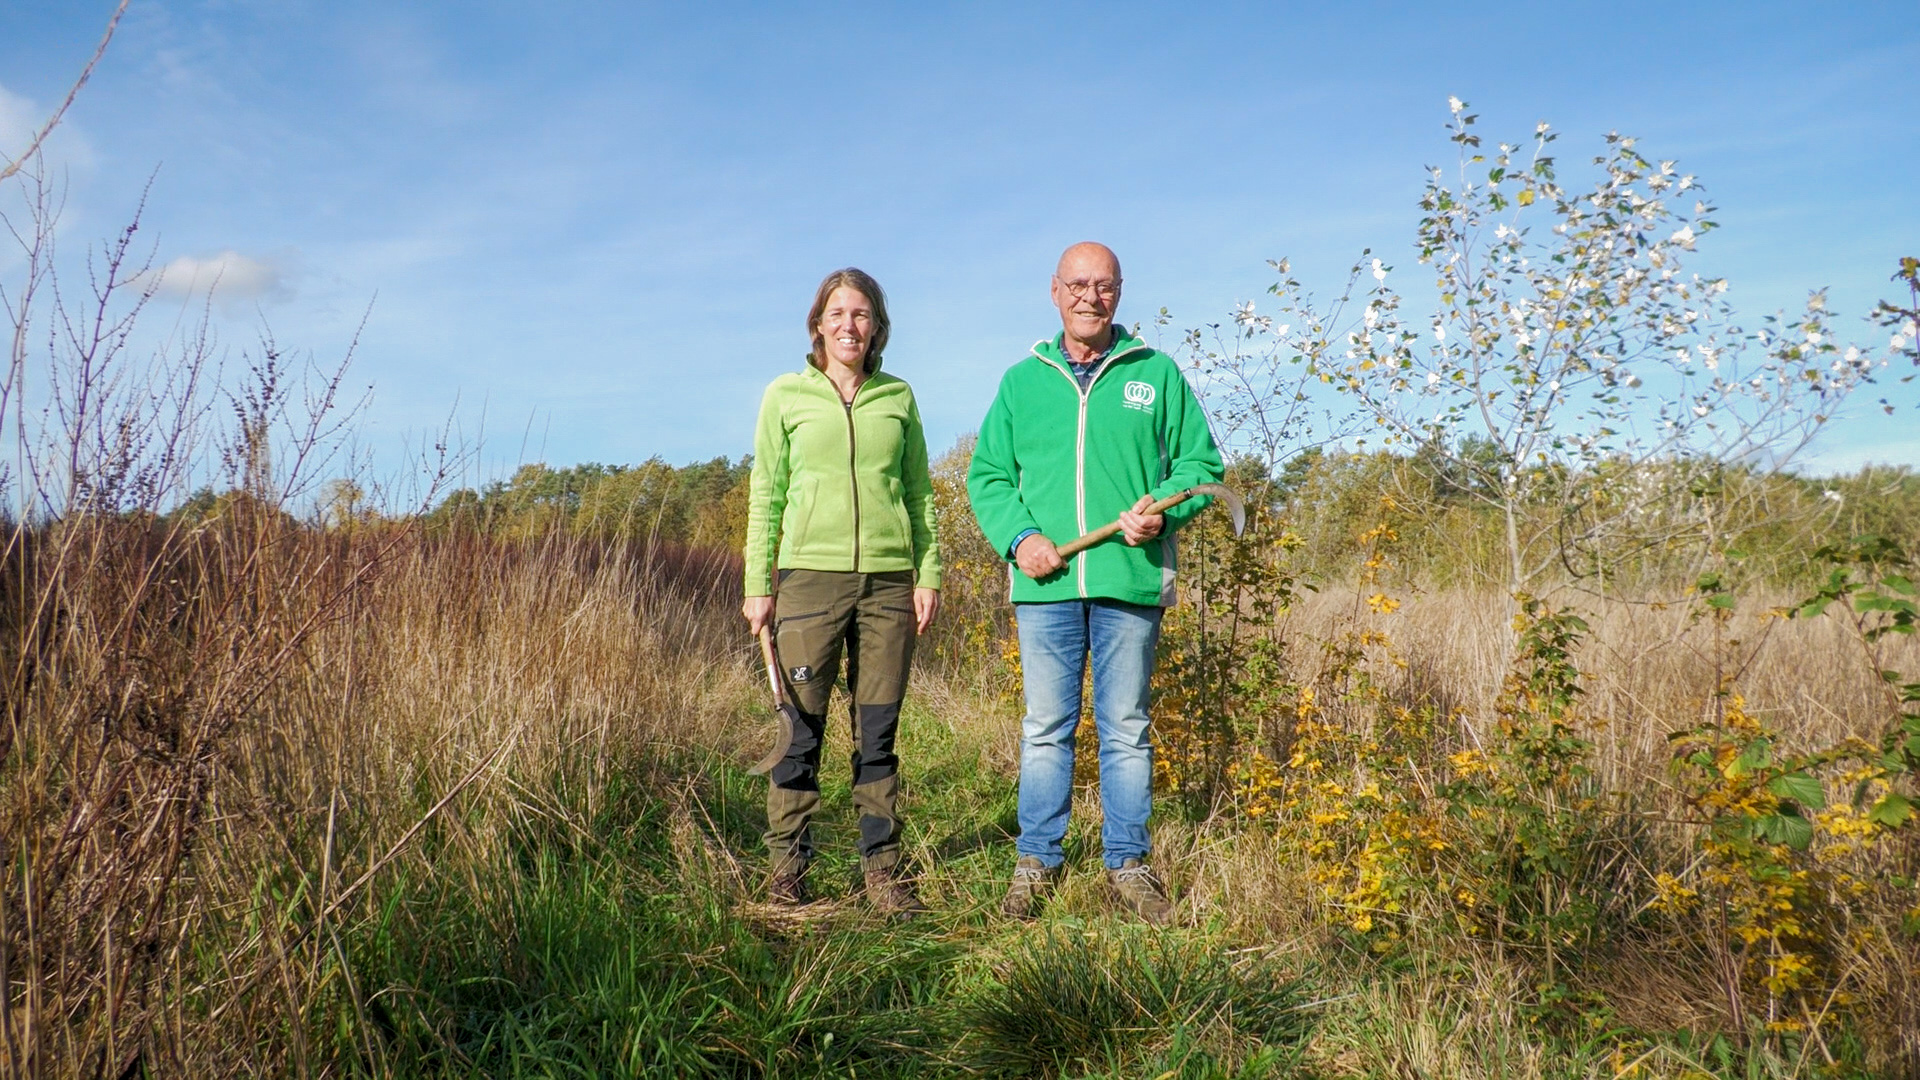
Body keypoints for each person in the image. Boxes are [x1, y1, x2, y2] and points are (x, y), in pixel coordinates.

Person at [966, 242, 1224, 924]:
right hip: (1045, 587)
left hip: (1128, 579)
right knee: (1047, 728)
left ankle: (1128, 863)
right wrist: (1022, 540)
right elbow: (988, 476)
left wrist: (1160, 511)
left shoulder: (1156, 374)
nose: (1090, 296)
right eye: (1077, 284)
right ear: (1054, 292)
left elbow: (1200, 468)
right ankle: (1037, 860)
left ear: (1119, 293)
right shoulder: (1023, 381)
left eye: (1103, 285)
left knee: (1127, 729)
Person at [742, 267, 943, 914]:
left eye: (861, 315)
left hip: (889, 584)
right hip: (808, 582)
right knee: (800, 732)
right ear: (818, 325)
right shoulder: (785, 395)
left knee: (877, 732)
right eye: (838, 314)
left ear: (877, 326)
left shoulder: (899, 397)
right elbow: (766, 495)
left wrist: (928, 572)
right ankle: (787, 872)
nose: (849, 326)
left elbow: (918, 494)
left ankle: (883, 871)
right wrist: (758, 585)